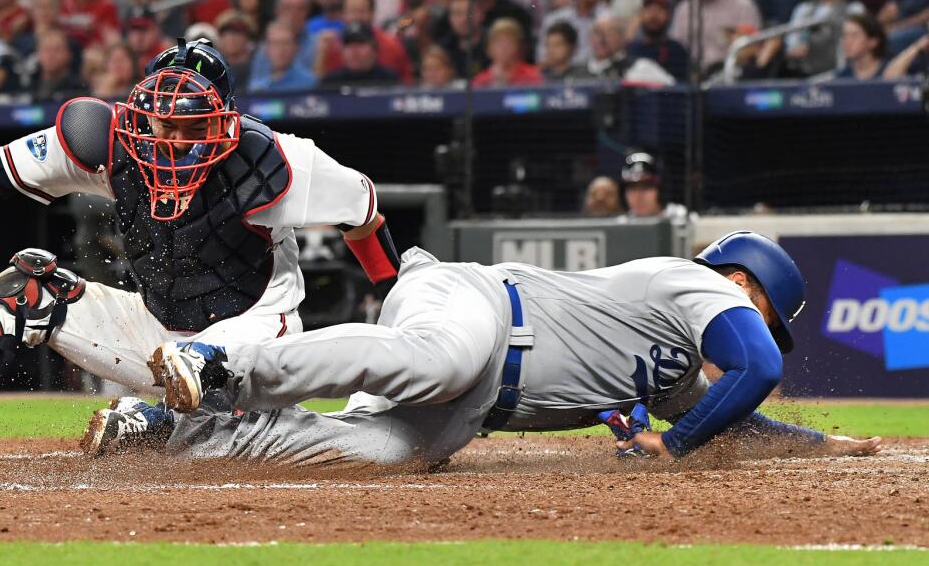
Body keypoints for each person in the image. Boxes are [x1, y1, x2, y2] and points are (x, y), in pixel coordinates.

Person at [0, 38, 398, 465]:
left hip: (258, 339)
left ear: (225, 123)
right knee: (28, 286)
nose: (170, 143)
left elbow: (365, 212)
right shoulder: (105, 143)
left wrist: (399, 312)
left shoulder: (276, 162)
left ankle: (175, 425)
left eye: (189, 127)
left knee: (200, 375)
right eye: (161, 126)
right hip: (160, 331)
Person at [149, 232, 881, 468]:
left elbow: (743, 420)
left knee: (388, 454)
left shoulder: (676, 369)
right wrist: (676, 442)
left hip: (474, 407)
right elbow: (760, 366)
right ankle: (222, 366)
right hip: (481, 311)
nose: (759, 324)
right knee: (438, 360)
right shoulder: (698, 285)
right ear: (742, 279)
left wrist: (829, 447)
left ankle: (175, 432)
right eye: (764, 310)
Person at [777, 0, 862, 77]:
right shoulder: (802, 10)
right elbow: (792, 43)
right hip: (804, 75)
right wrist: (796, 49)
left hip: (840, 75)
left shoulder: (854, 10)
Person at [537, 0, 609, 65]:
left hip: (595, 78)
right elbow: (541, 57)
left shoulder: (610, 20)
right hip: (558, 77)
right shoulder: (555, 19)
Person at [627, 0, 691, 82]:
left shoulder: (677, 51)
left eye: (660, 9)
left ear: (669, 16)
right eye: (649, 9)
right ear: (641, 14)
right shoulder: (631, 49)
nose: (654, 15)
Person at [321, 22, 399, 88]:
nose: (354, 51)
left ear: (374, 49)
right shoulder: (331, 82)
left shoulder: (388, 79)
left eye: (360, 43)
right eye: (348, 45)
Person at [248, 20, 316, 92]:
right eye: (275, 43)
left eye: (286, 43)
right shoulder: (257, 81)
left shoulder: (308, 83)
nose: (281, 50)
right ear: (267, 49)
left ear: (296, 48)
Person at [620, 149, 688, 220]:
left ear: (661, 190)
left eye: (645, 187)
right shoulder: (621, 225)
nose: (638, 196)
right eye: (632, 189)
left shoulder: (682, 217)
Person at [26, 28, 87, 101]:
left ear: (68, 55)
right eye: (46, 50)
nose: (51, 55)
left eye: (57, 50)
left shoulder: (79, 89)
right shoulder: (27, 84)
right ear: (38, 54)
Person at [833, 11, 887, 78]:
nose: (847, 42)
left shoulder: (890, 71)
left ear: (873, 41)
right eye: (845, 35)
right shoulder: (841, 76)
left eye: (854, 35)